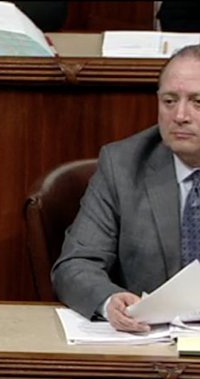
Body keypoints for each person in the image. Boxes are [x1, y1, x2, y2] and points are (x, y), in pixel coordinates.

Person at [51, 45, 200, 332]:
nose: (180, 115)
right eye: (169, 101)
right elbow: (75, 264)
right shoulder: (123, 165)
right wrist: (109, 301)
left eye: (198, 102)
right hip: (149, 343)